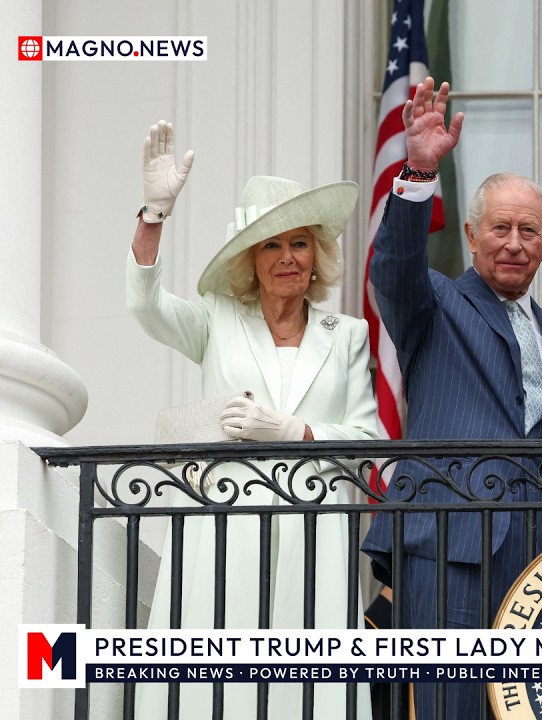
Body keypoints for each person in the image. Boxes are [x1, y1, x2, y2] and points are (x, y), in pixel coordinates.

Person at [126, 121, 378, 718]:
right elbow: (146, 305)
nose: (287, 257)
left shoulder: (348, 336)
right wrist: (152, 217)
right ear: (249, 258)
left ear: (318, 253)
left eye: (299, 242)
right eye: (271, 244)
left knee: (308, 684)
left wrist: (297, 432)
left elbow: (371, 440)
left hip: (315, 531)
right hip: (223, 525)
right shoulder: (217, 319)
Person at [360, 78, 542, 719]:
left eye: (529, 231)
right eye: (500, 228)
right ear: (470, 234)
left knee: (533, 710)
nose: (514, 242)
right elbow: (392, 264)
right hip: (448, 542)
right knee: (448, 708)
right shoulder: (433, 303)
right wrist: (419, 169)